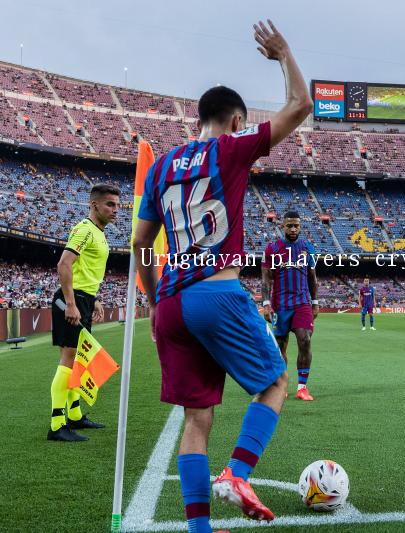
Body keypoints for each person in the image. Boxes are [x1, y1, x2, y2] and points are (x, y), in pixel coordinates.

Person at [132, 20, 312, 530]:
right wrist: (283, 54)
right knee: (276, 379)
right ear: (235, 120)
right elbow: (300, 106)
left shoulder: (164, 165)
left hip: (170, 303)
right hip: (216, 292)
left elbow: (142, 243)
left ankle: (199, 528)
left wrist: (151, 302)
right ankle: (237, 472)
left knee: (197, 418)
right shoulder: (230, 149)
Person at [48, 183, 119, 442]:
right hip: (73, 300)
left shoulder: (99, 233)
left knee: (80, 359)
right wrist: (70, 302)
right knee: (68, 360)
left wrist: (94, 299)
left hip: (84, 299)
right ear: (94, 204)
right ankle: (57, 424)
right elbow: (64, 264)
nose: (115, 210)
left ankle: (75, 415)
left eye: (117, 206)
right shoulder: (84, 230)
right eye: (110, 204)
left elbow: (85, 271)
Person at [261, 211, 319, 401]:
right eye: (289, 225)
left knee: (305, 340)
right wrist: (266, 304)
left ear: (300, 226)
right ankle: (282, 385)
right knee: (280, 346)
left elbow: (312, 277)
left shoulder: (307, 247)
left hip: (302, 302)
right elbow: (266, 279)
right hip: (280, 304)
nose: (293, 229)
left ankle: (302, 387)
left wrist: (315, 302)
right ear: (282, 226)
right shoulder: (272, 248)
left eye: (296, 225)